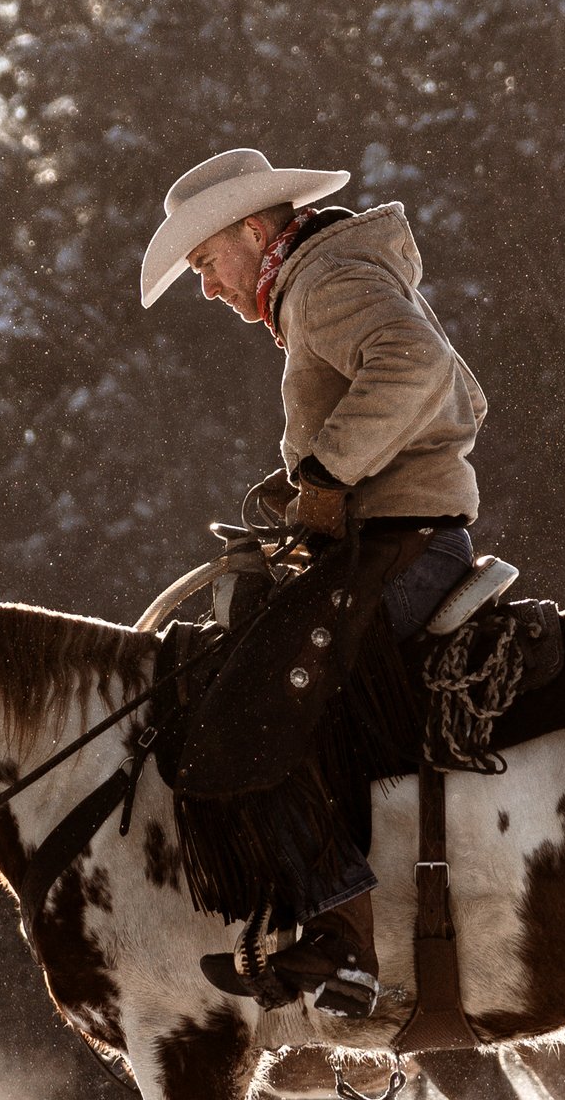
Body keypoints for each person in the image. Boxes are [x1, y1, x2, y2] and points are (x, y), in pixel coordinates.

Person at [139, 145, 488, 1017]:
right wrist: (303, 487)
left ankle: (343, 940)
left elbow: (416, 365)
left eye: (206, 263)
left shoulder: (325, 278)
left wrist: (326, 477)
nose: (211, 290)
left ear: (255, 232)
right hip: (398, 540)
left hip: (403, 545)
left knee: (259, 698)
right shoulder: (326, 276)